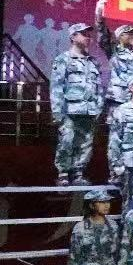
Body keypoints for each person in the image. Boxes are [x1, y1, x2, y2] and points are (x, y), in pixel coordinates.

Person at [50, 22, 103, 186]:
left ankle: (79, 173)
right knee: (67, 141)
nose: (88, 37)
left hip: (89, 110)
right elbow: (56, 87)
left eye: (89, 34)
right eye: (83, 34)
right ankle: (63, 173)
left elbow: (99, 87)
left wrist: (99, 107)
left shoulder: (93, 62)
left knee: (86, 143)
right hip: (69, 110)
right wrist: (57, 112)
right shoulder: (63, 59)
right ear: (73, 37)